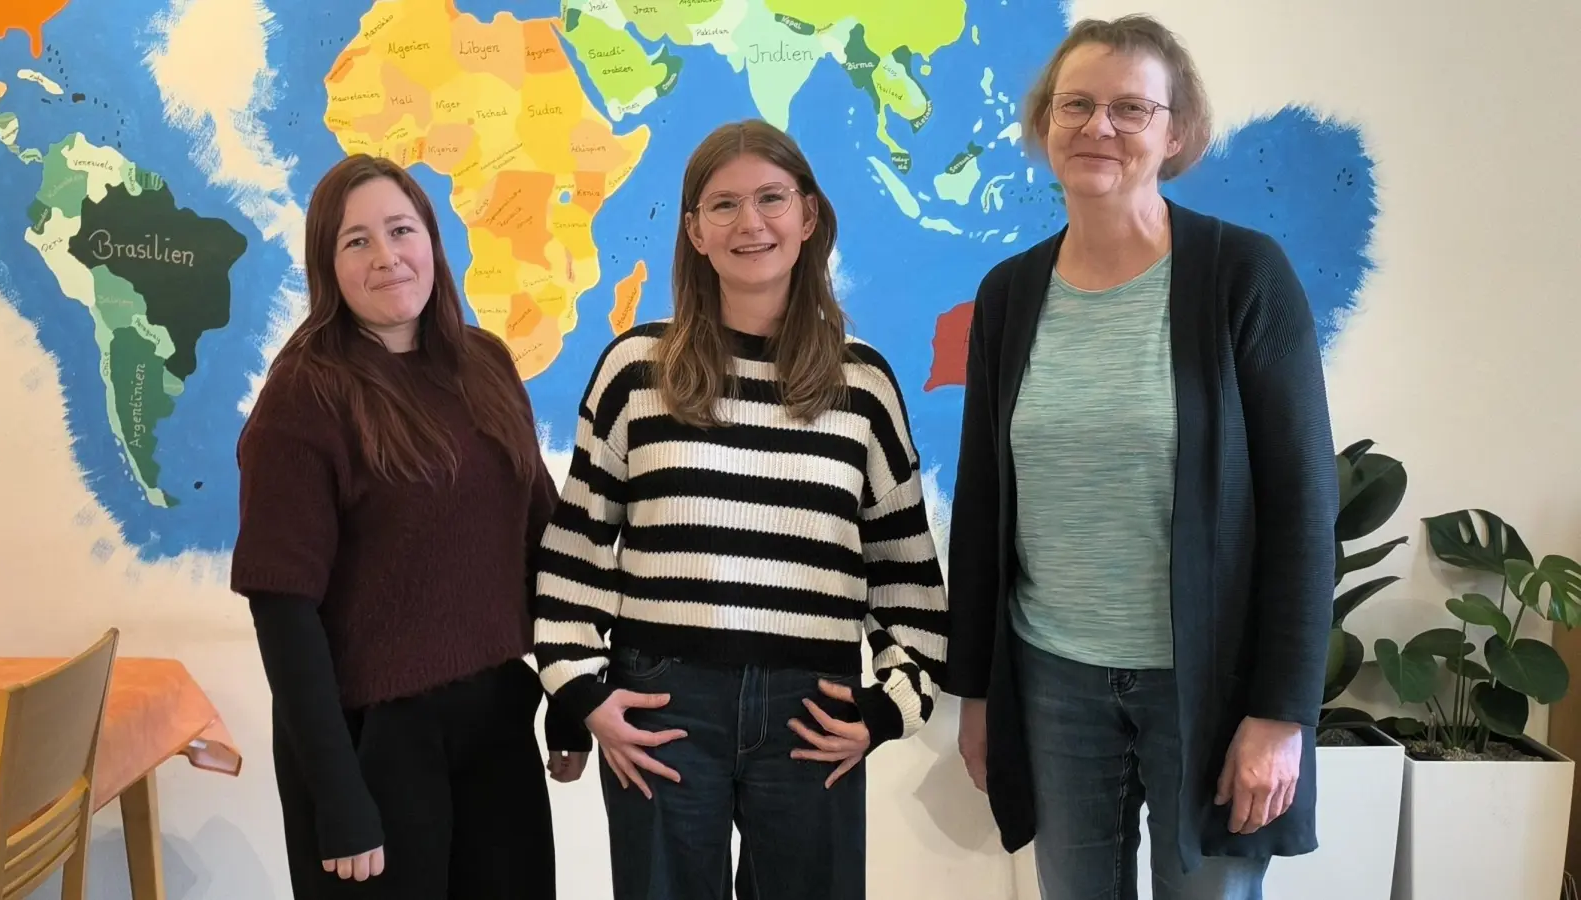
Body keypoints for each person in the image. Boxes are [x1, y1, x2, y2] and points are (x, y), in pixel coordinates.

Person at [943, 14, 1338, 900]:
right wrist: (978, 693)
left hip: (1210, 683)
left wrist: (1281, 715)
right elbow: (984, 503)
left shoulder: (1244, 277)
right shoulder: (1009, 294)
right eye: (1076, 104)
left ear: (1176, 132)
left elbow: (1305, 506)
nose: (1100, 127)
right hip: (1053, 680)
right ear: (1045, 122)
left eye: (1131, 108)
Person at [531, 118, 948, 900]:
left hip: (813, 710)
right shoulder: (636, 371)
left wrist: (889, 708)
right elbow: (575, 554)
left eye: (771, 198)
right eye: (723, 205)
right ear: (694, 231)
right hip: (662, 704)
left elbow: (908, 579)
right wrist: (582, 691)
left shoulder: (862, 387)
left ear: (808, 216)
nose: (749, 222)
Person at [229, 153, 591, 899]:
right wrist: (336, 795)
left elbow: (540, 543)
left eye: (400, 230)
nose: (386, 256)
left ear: (431, 238)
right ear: (327, 264)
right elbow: (283, 608)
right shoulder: (305, 395)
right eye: (356, 241)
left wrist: (570, 695)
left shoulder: (485, 365)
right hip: (374, 744)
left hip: (495, 722)